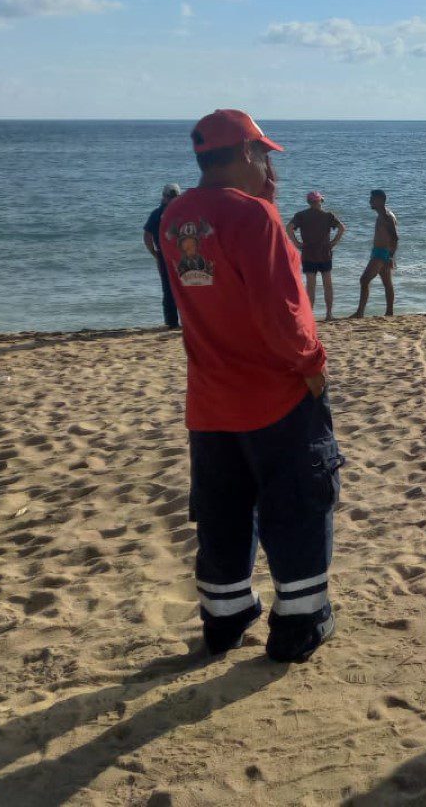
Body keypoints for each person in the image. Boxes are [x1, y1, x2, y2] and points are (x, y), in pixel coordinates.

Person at [161, 109, 341, 663]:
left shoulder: (176, 218)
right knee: (300, 503)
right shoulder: (255, 217)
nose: (268, 165)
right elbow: (280, 315)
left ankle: (225, 615)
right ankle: (301, 620)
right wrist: (314, 364)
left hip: (210, 397)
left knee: (224, 511)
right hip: (274, 393)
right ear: (244, 154)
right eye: (263, 154)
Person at [289, 191, 346, 321]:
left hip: (308, 254)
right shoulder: (327, 216)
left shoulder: (301, 215)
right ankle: (329, 314)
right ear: (320, 201)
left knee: (310, 286)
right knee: (327, 284)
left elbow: (289, 228)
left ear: (309, 202)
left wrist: (297, 243)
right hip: (325, 253)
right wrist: (333, 242)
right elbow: (342, 228)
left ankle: (309, 316)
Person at [352, 189, 399, 318]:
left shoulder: (387, 216)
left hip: (382, 253)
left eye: (372, 199)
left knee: (364, 280)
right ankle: (389, 312)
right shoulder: (382, 215)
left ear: (380, 200)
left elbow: (395, 237)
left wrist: (390, 256)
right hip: (379, 252)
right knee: (387, 283)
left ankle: (360, 312)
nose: (370, 201)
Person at [143, 183, 182, 329]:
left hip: (169, 255)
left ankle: (172, 323)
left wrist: (154, 253)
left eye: (172, 197)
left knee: (170, 289)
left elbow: (147, 236)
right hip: (178, 256)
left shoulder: (157, 214)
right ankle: (180, 322)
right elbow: (147, 236)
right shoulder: (182, 212)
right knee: (182, 288)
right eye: (170, 197)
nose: (171, 199)